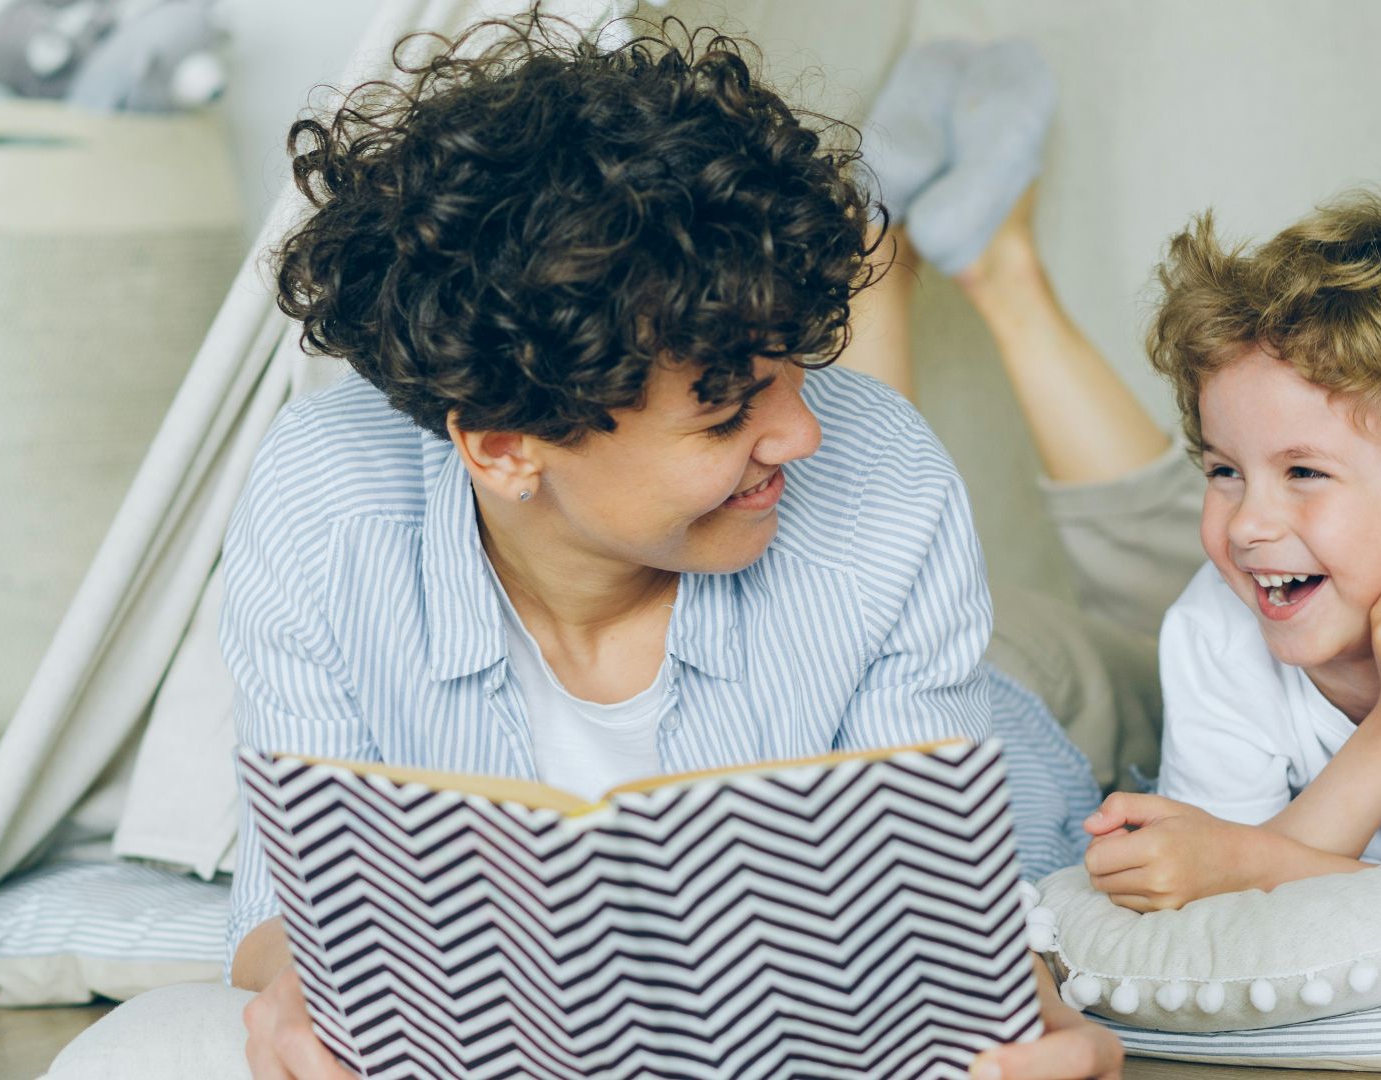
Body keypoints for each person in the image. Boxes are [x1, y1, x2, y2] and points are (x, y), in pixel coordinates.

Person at [198, 17, 1119, 1080]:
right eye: (725, 412)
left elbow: (936, 919)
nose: (802, 432)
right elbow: (284, 912)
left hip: (1027, 690)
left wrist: (1027, 1018)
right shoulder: (323, 501)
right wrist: (310, 986)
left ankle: (967, 257)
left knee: (1138, 641)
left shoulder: (886, 481)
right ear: (504, 447)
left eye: (799, 362)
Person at [863, 181, 1381, 913]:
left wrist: (1257, 850)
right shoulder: (1213, 630)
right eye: (1224, 471)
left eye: (1304, 471)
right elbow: (1228, 897)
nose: (1245, 525)